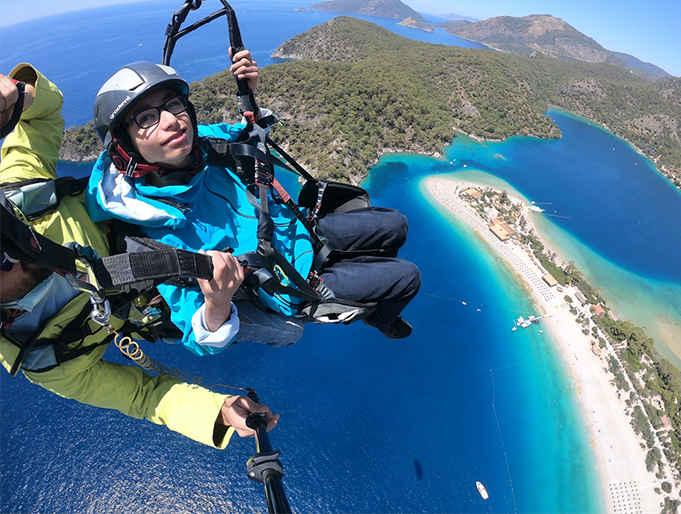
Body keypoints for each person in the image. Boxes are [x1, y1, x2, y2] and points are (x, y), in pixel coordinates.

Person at [0, 64, 278, 449]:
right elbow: (144, 397)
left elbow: (45, 109)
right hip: (167, 290)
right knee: (284, 321)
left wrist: (15, 95)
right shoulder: (47, 361)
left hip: (149, 206)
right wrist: (219, 411)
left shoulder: (19, 195)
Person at [86, 50, 421, 356]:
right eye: (146, 118)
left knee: (396, 225)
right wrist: (217, 301)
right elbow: (197, 332)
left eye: (173, 104)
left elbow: (249, 131)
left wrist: (249, 93)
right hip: (291, 282)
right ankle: (382, 318)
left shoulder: (203, 146)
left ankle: (362, 270)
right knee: (407, 277)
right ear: (124, 148)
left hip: (300, 231)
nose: (172, 120)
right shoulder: (154, 229)